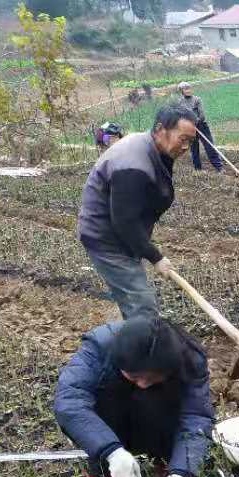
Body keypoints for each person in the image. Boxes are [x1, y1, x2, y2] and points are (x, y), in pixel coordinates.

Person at [53, 314, 215, 477]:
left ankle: (167, 465)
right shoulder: (100, 347)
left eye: (153, 376)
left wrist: (183, 471)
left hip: (159, 419)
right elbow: (70, 402)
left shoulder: (189, 357)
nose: (143, 384)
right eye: (135, 376)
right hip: (112, 419)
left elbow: (196, 416)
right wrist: (110, 451)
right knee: (101, 404)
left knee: (163, 399)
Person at [77, 105, 198, 319]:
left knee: (135, 302)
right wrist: (156, 257)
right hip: (106, 238)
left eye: (191, 141)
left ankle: (131, 332)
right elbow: (125, 221)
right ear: (161, 129)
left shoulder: (154, 147)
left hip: (124, 234)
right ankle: (128, 345)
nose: (186, 147)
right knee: (143, 307)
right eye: (183, 139)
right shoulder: (132, 165)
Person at [178, 82, 223, 173]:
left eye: (189, 88)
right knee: (194, 149)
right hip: (189, 128)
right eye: (185, 89)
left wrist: (195, 121)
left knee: (209, 146)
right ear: (181, 91)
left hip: (201, 125)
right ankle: (198, 169)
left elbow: (202, 115)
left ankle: (219, 168)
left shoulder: (197, 99)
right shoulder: (180, 102)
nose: (188, 90)